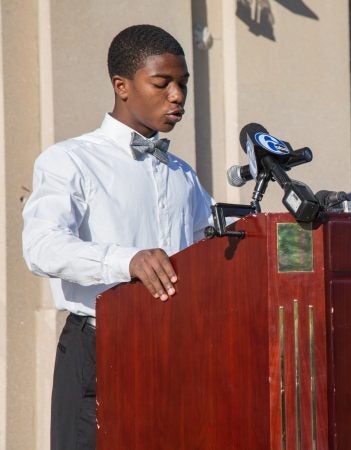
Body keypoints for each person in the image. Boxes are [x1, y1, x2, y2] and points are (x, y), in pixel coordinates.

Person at [22, 25, 215, 450]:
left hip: (178, 350)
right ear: (122, 86)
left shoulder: (184, 174)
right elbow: (41, 247)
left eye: (182, 84)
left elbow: (212, 250)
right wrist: (125, 260)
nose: (177, 95)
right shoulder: (69, 160)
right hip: (100, 349)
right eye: (162, 83)